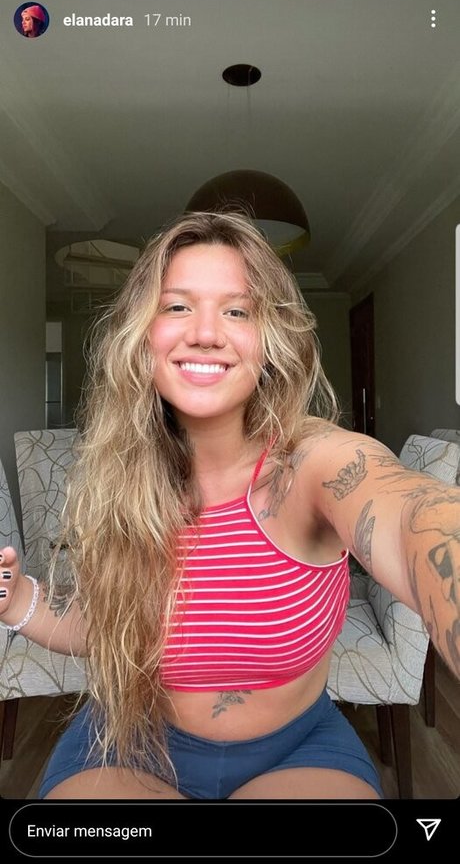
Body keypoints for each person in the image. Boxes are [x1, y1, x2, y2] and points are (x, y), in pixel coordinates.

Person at [0, 210, 458, 800]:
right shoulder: (122, 482)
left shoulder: (316, 461)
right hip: (129, 742)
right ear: (142, 336)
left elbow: (410, 516)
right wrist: (17, 600)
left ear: (269, 341)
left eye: (237, 311)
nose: (206, 332)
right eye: (177, 306)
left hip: (297, 750)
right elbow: (109, 631)